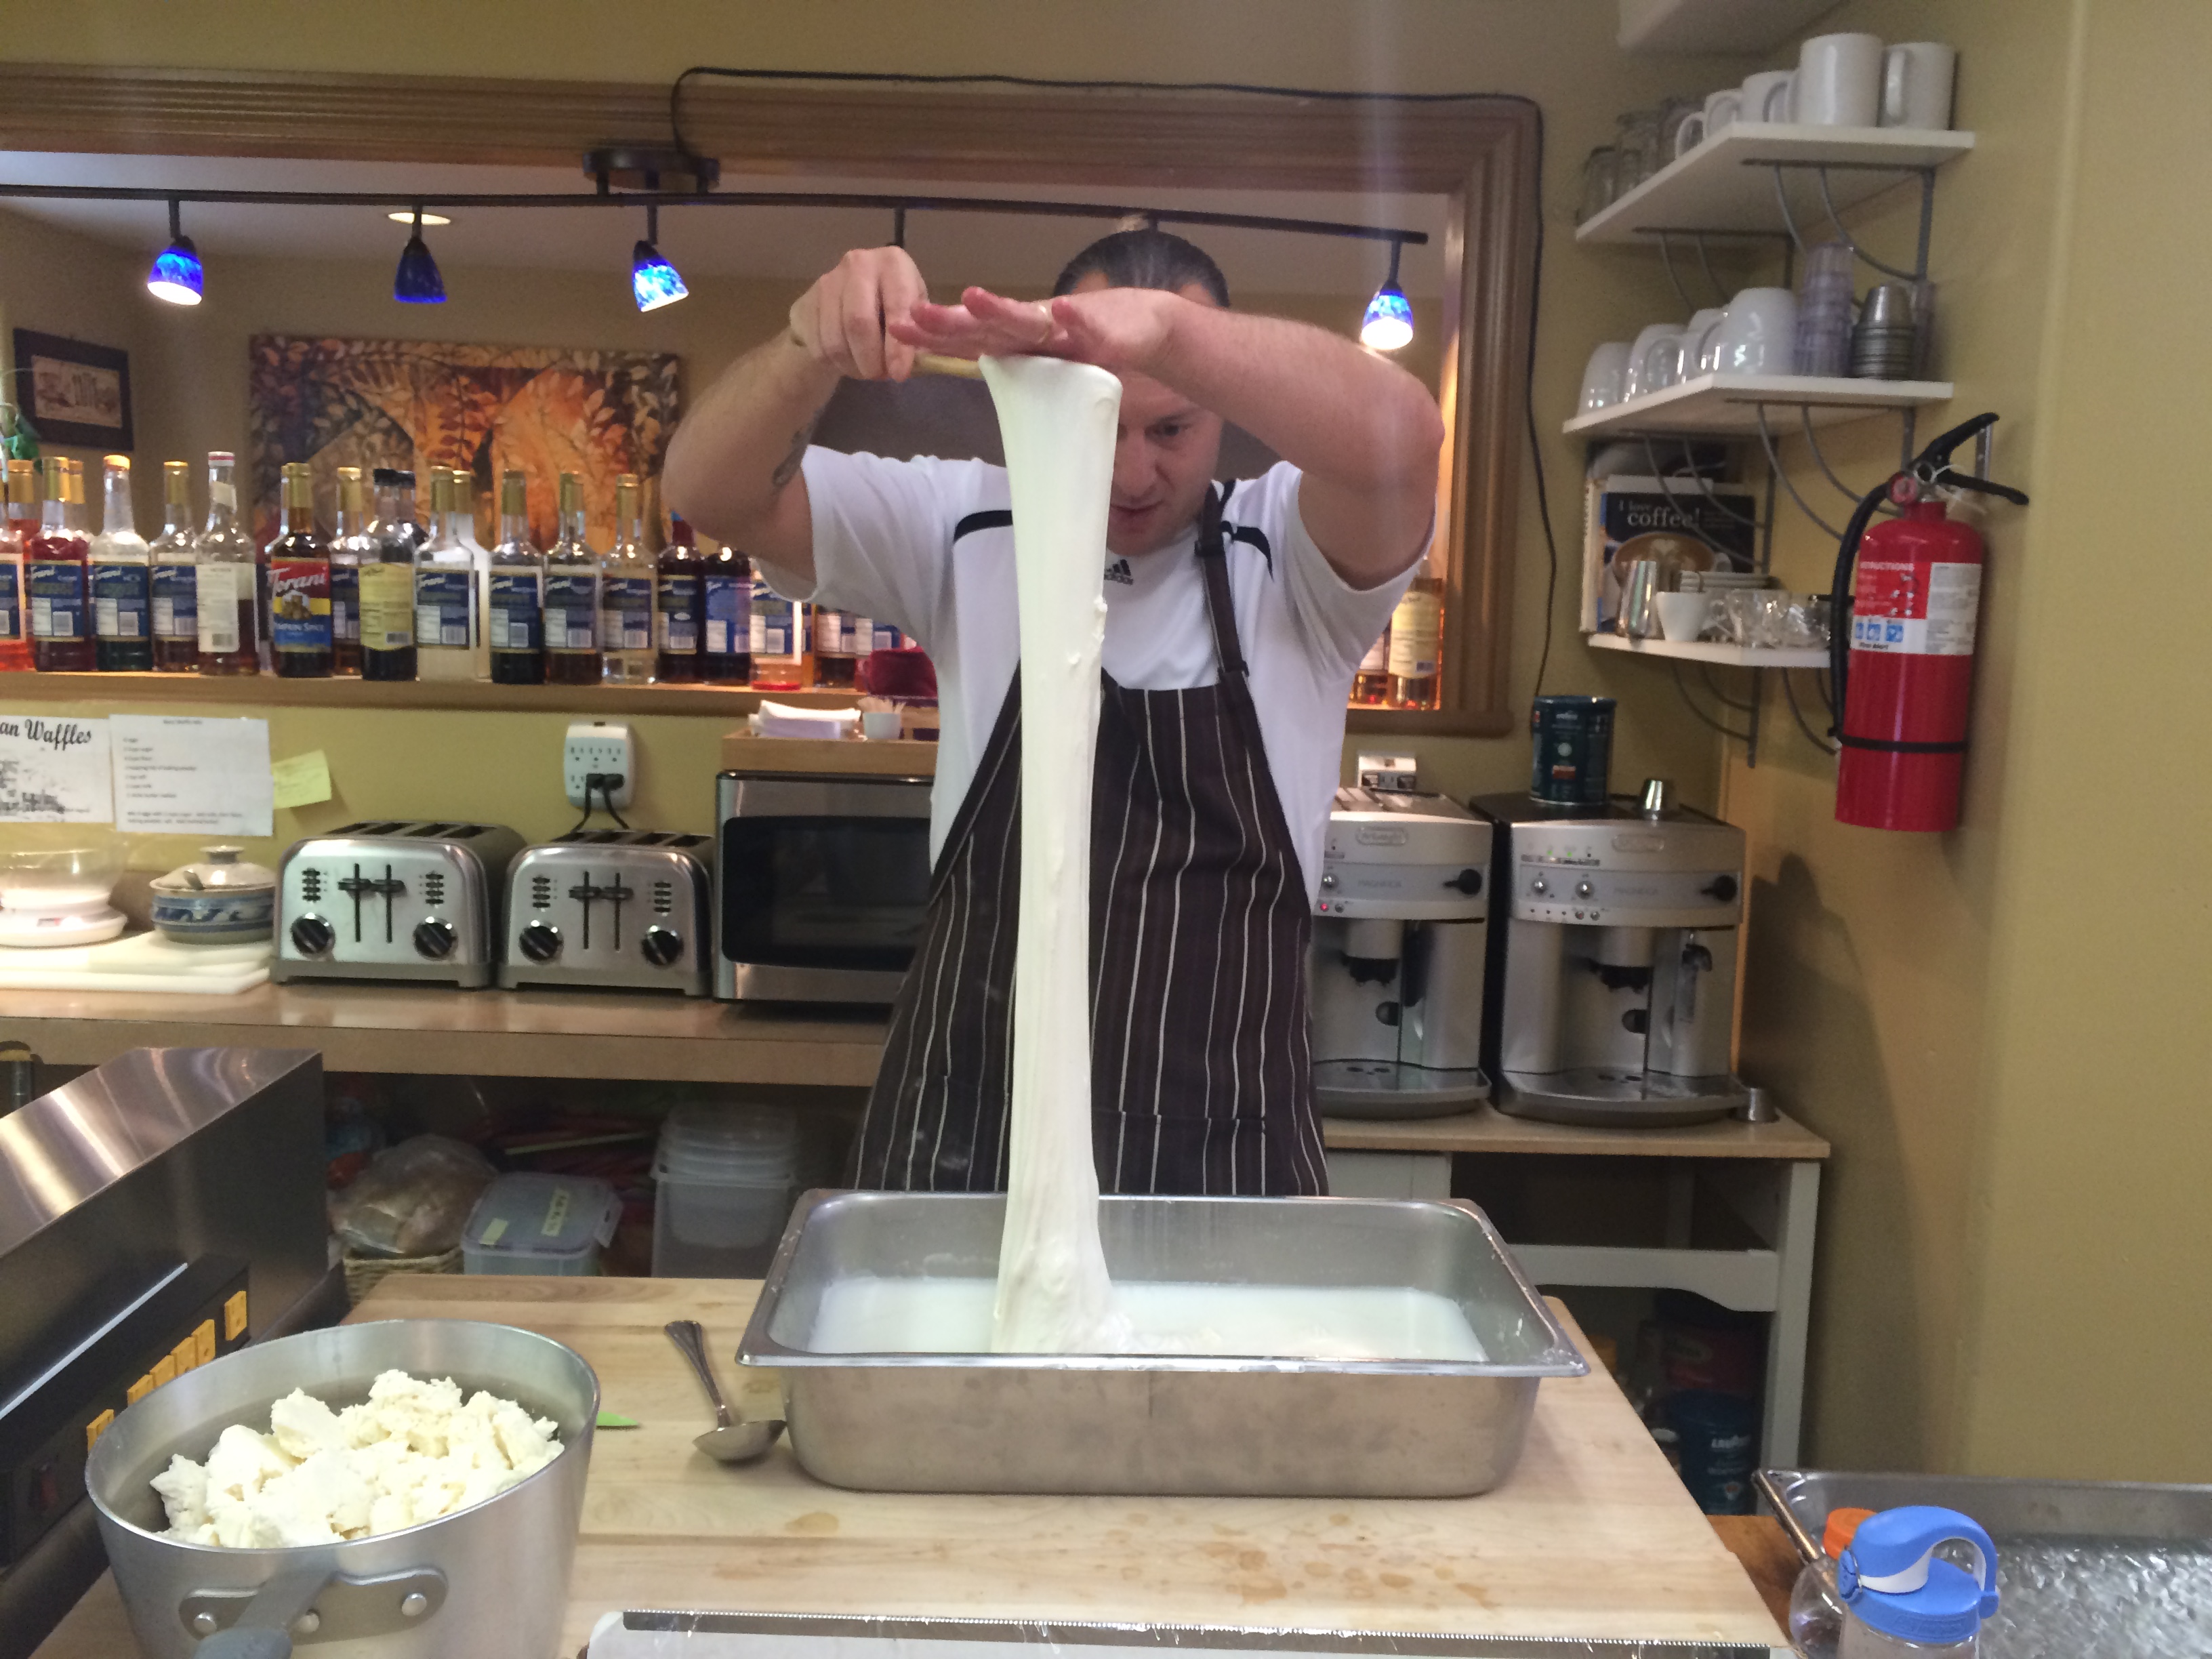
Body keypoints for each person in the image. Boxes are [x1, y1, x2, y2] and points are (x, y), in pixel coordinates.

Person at [665, 228, 1443, 1197]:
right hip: (971, 1139)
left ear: (1219, 411)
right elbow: (707, 491)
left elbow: (1405, 436)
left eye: (1171, 428)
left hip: (1220, 1152)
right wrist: (805, 345)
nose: (1131, 473)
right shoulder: (961, 522)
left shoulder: (1292, 552)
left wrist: (1165, 331)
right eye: (1102, 422)